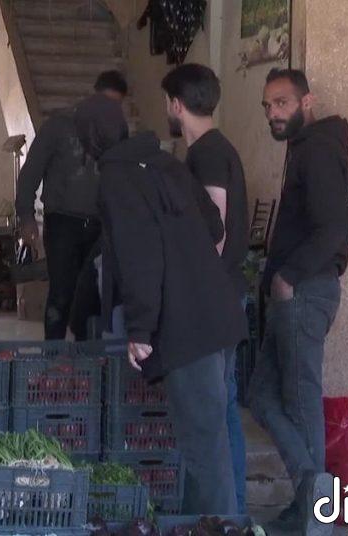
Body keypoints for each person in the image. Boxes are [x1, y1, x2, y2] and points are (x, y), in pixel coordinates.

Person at [99, 124, 247, 515]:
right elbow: (216, 225)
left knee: (204, 449)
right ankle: (209, 523)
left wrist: (140, 329)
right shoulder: (170, 165)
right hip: (221, 313)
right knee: (211, 441)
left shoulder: (118, 177)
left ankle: (225, 525)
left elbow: (139, 257)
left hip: (187, 327)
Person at [251, 68, 348, 535]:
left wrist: (289, 277)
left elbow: (333, 228)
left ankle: (317, 505)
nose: (273, 113)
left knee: (299, 399)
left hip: (306, 291)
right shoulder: (305, 151)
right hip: (296, 291)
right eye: (269, 105)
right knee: (261, 393)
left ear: (306, 102)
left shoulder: (319, 152)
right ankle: (312, 493)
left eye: (282, 104)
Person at [162, 63, 250, 514]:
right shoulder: (215, 149)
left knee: (215, 416)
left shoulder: (208, 154)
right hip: (226, 297)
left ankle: (227, 516)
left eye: (167, 103)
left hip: (217, 299)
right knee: (224, 409)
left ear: (177, 105)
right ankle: (233, 514)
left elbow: (212, 231)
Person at [16, 70, 129, 340]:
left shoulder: (116, 130)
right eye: (106, 103)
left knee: (93, 295)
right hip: (63, 222)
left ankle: (87, 357)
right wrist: (26, 217)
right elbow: (30, 173)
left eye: (115, 106)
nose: (108, 111)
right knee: (61, 293)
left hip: (100, 226)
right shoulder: (59, 125)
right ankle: (53, 354)